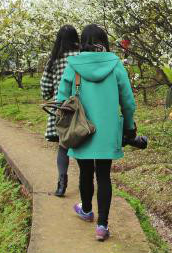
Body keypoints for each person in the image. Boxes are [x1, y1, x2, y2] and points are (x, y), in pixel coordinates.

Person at [55, 24, 136, 242]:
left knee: (85, 172)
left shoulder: (73, 65)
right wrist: (129, 126)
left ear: (82, 42)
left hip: (82, 130)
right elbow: (127, 101)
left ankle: (87, 210)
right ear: (104, 42)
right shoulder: (115, 64)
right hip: (108, 132)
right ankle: (102, 226)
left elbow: (61, 99)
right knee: (103, 175)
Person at [40, 24, 80, 197]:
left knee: (63, 147)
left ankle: (61, 184)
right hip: (80, 108)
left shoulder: (54, 59)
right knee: (81, 145)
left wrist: (52, 93)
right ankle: (85, 182)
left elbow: (45, 87)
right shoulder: (81, 57)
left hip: (61, 109)